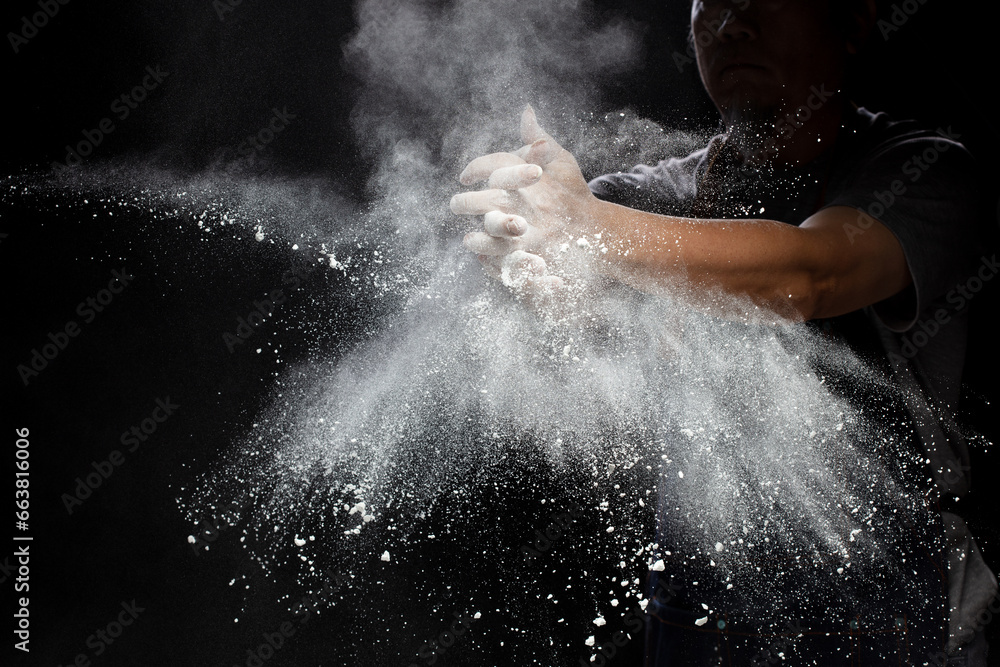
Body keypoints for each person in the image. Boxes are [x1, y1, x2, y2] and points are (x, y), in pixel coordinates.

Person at [450, 0, 996, 664]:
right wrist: (521, 239)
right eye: (711, 2)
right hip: (697, 606)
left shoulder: (920, 170)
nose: (732, 23)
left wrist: (587, 228)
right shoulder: (657, 194)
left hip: (888, 611)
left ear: (852, 23)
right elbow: (562, 265)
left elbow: (808, 276)